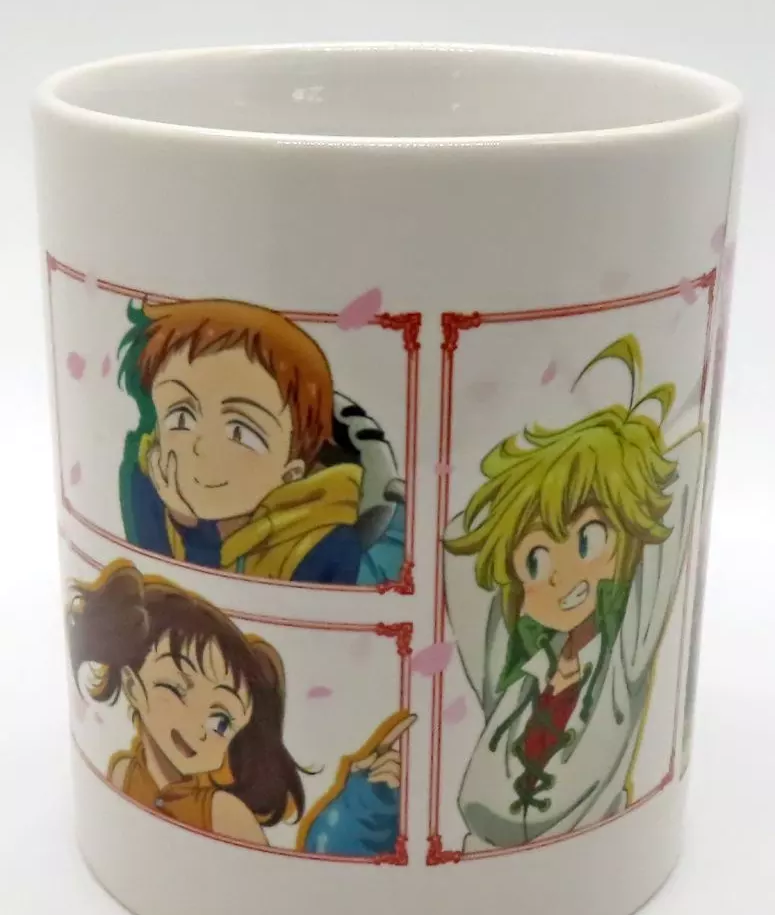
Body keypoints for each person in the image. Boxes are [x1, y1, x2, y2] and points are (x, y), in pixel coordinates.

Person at [444, 335, 702, 851]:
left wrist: (624, 451)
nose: (563, 578)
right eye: (536, 561)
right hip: (477, 850)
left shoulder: (619, 660)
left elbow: (688, 463)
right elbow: (460, 547)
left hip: (601, 852)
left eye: (587, 540)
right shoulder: (510, 671)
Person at [68, 560, 412, 854]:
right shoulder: (123, 773)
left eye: (220, 721)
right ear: (133, 687)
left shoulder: (223, 812)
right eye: (176, 689)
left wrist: (360, 805)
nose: (198, 727)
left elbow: (281, 886)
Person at [117, 298, 393, 584]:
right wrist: (183, 523)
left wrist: (196, 535)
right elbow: (157, 593)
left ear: (291, 474)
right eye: (182, 417)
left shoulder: (325, 547)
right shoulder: (148, 488)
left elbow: (215, 601)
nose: (201, 445)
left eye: (239, 432)